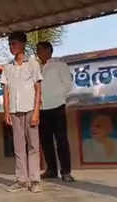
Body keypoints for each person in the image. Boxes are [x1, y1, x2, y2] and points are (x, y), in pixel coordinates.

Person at [1, 32, 43, 193]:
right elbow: (5, 91)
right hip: (14, 111)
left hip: (30, 109)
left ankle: (35, 180)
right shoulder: (7, 67)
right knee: (18, 147)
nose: (12, 47)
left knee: (33, 146)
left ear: (23, 44)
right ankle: (21, 180)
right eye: (10, 44)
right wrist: (6, 112)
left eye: (14, 43)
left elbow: (38, 89)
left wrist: (36, 112)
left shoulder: (33, 64)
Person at [36, 41, 75, 182]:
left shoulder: (60, 65)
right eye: (37, 50)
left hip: (57, 106)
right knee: (46, 141)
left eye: (40, 49)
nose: (38, 52)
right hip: (41, 109)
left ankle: (66, 172)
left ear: (49, 51)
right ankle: (51, 170)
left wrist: (57, 96)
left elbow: (68, 85)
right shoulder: (37, 68)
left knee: (61, 140)